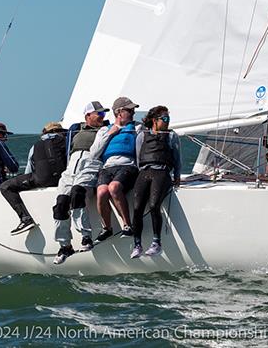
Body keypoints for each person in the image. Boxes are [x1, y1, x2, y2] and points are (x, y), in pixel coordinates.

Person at [52, 101, 109, 265]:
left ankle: (86, 236)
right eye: (99, 114)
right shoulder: (75, 129)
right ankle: (65, 246)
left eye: (103, 114)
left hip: (90, 163)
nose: (102, 117)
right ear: (88, 116)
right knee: (61, 203)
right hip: (71, 167)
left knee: (78, 192)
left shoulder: (105, 129)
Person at [130, 105, 181, 259]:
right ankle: (137, 244)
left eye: (168, 119)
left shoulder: (172, 136)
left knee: (154, 205)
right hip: (145, 171)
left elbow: (177, 158)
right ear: (154, 120)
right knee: (137, 207)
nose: (167, 122)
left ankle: (156, 243)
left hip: (162, 172)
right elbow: (139, 156)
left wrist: (177, 175)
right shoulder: (142, 136)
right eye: (164, 119)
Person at [0, 121, 68, 235]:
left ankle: (25, 219)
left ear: (44, 133)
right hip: (63, 180)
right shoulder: (66, 141)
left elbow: (29, 169)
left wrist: (26, 181)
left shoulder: (35, 146)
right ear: (60, 132)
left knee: (5, 186)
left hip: (41, 180)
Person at [91, 96, 142, 241]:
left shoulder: (137, 127)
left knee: (113, 188)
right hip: (108, 167)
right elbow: (94, 153)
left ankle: (127, 225)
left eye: (133, 110)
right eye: (129, 110)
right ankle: (107, 228)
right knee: (101, 192)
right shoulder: (103, 130)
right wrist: (110, 134)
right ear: (119, 112)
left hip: (127, 166)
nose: (133, 112)